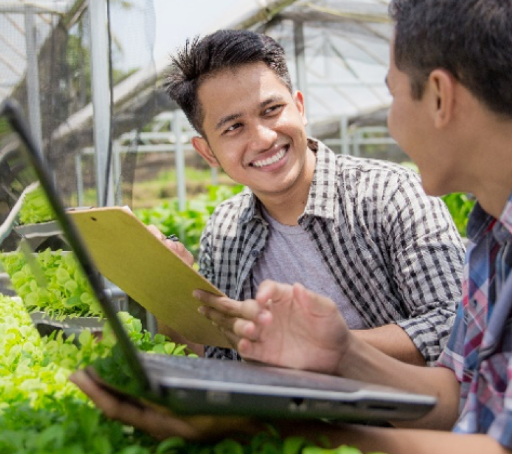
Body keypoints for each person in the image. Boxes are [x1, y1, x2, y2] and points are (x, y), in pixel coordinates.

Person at [72, 0, 512, 453]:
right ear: (208, 150)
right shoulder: (504, 225)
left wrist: (294, 416)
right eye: (232, 128)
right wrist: (337, 356)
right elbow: (465, 396)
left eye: (393, 95)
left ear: (439, 98)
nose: (389, 123)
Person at [150, 29, 464, 366]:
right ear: (208, 152)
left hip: (398, 417)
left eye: (271, 109)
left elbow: (453, 324)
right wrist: (171, 293)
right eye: (233, 128)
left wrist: (319, 345)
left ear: (299, 108)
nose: (264, 138)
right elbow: (220, 357)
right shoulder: (224, 230)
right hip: (280, 418)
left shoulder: (390, 193)